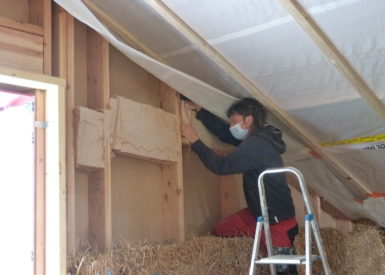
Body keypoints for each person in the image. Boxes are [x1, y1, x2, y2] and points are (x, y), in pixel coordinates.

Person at [181, 97, 298, 275]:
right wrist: (201, 111)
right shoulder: (256, 139)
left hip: (277, 220)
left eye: (233, 121)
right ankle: (258, 242)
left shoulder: (258, 145)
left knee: (283, 271)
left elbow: (221, 166)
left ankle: (265, 245)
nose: (231, 126)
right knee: (222, 229)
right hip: (257, 214)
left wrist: (196, 142)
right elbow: (225, 134)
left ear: (248, 120)